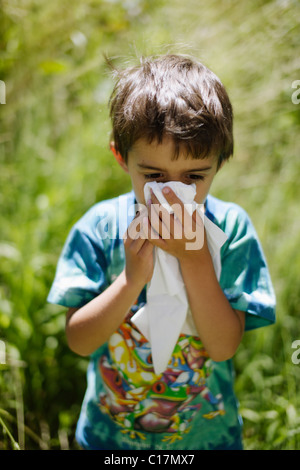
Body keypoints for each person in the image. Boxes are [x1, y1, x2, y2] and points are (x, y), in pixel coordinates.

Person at [47, 54, 276, 450]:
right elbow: (79, 340)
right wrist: (131, 279)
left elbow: (223, 347)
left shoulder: (231, 230)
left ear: (220, 163)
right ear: (122, 157)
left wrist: (196, 260)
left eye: (193, 176)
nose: (172, 194)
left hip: (206, 438)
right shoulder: (101, 228)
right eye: (153, 176)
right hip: (111, 439)